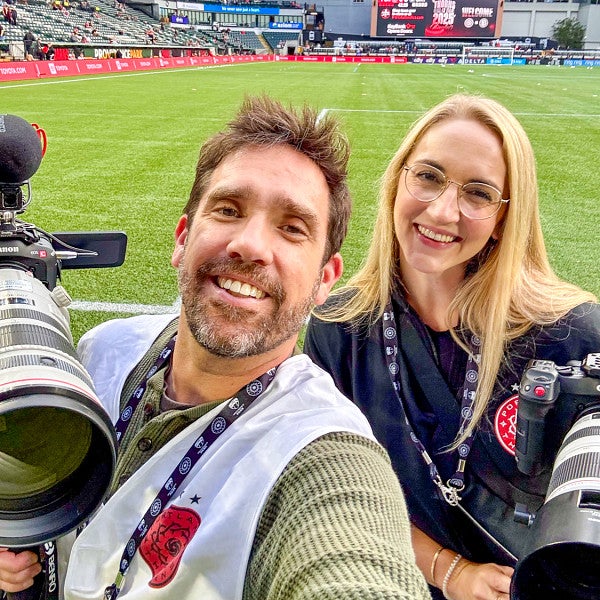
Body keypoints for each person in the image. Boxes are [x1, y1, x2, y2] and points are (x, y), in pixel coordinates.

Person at [0, 96, 430, 600]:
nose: (249, 244)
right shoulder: (100, 353)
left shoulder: (318, 452)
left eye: (292, 228)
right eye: (228, 209)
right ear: (182, 239)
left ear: (323, 282)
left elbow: (350, 563)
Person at [304, 93, 600, 600]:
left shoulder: (574, 336)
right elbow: (327, 498)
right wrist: (450, 571)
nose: (443, 211)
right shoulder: (338, 328)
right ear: (398, 181)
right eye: (428, 176)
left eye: (479, 193)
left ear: (505, 217)